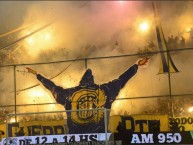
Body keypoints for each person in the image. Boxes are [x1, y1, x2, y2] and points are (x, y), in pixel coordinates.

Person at [27, 57, 149, 134]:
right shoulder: (104, 91)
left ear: (81, 82)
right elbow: (122, 80)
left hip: (76, 139)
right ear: (93, 81)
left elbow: (52, 87)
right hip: (100, 137)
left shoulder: (70, 94)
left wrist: (38, 75)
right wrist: (136, 65)